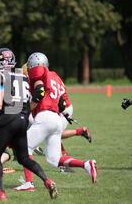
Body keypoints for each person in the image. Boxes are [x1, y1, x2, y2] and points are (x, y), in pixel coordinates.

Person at [13, 52, 97, 192]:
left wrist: (26, 110)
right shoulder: (55, 76)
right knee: (54, 159)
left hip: (45, 116)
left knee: (24, 148)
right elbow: (61, 101)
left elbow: (39, 92)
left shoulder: (38, 73)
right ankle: (86, 164)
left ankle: (29, 183)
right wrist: (65, 114)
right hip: (57, 118)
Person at [0, 47, 58, 200]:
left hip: (7, 119)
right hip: (22, 119)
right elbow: (26, 98)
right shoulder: (22, 77)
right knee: (24, 158)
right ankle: (47, 180)